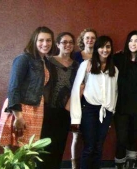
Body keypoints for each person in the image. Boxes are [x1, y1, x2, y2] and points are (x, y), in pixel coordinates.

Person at [0, 26, 55, 146]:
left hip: (36, 109)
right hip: (21, 109)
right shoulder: (23, 59)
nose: (45, 43)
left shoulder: (46, 62)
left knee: (29, 150)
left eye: (48, 40)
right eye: (41, 40)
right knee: (16, 152)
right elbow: (14, 88)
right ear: (34, 41)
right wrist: (18, 116)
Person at [70, 36, 118, 169]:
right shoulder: (86, 64)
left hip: (106, 112)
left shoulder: (114, 69)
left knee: (98, 147)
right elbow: (76, 89)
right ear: (96, 48)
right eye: (102, 47)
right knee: (89, 147)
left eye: (108, 47)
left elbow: (114, 91)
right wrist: (75, 117)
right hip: (89, 110)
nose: (105, 50)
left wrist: (111, 110)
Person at [38, 32, 79, 168]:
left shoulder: (77, 65)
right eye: (64, 42)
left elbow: (79, 86)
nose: (68, 45)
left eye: (70, 43)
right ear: (57, 44)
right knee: (44, 146)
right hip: (48, 109)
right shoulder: (48, 61)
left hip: (65, 110)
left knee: (59, 145)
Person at [113, 30, 137, 169]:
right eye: (131, 40)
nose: (133, 44)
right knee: (121, 138)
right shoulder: (118, 58)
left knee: (133, 138)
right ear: (127, 43)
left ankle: (130, 165)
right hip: (121, 105)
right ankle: (119, 165)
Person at [71, 28, 97, 169]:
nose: (90, 40)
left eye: (93, 38)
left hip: (93, 100)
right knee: (76, 135)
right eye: (87, 37)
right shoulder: (76, 56)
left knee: (90, 136)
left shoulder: (100, 55)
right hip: (78, 98)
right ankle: (74, 165)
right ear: (83, 40)